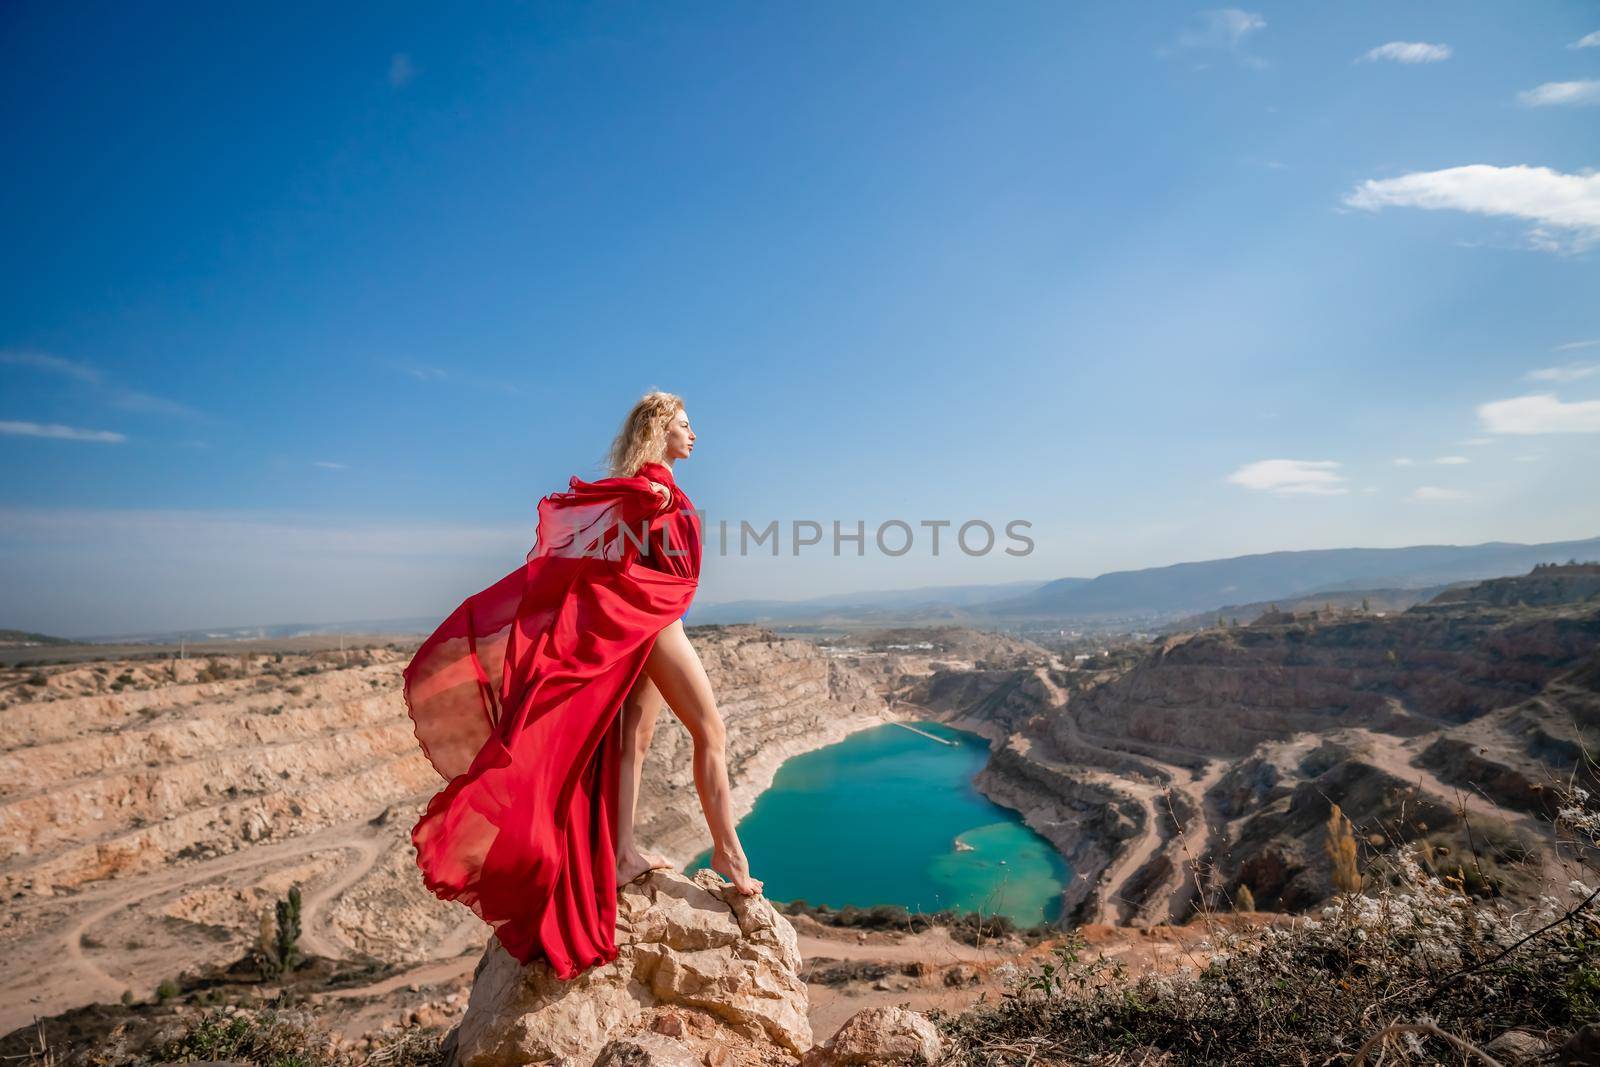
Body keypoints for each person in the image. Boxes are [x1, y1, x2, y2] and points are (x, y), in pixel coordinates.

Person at [402, 389, 761, 981]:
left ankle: (620, 854)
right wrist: (643, 500)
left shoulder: (659, 487)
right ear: (659, 430)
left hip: (649, 622)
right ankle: (729, 853)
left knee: (633, 743)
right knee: (711, 731)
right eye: (685, 425)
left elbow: (614, 541)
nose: (694, 435)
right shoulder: (654, 486)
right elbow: (592, 515)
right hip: (655, 622)